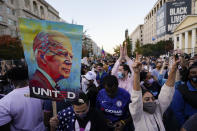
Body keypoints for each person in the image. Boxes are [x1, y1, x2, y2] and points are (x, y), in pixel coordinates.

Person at [129, 54, 179, 131]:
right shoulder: (137, 114)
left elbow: (167, 92)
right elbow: (136, 97)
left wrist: (173, 70)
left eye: (152, 98)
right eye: (147, 99)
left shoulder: (158, 109)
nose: (151, 101)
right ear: (140, 102)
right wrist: (136, 73)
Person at [29, 30, 73, 99]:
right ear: (42, 57)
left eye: (71, 57)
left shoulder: (45, 85)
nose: (70, 62)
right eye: (63, 54)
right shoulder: (37, 85)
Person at [0, 66, 46, 131]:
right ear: (27, 77)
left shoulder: (5, 101)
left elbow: (3, 125)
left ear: (11, 80)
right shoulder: (40, 92)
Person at [171, 62, 197, 128]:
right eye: (193, 73)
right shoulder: (181, 90)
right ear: (188, 75)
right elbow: (177, 112)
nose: (196, 75)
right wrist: (186, 127)